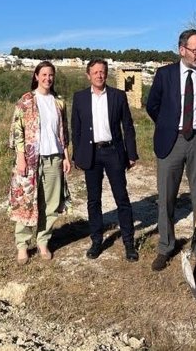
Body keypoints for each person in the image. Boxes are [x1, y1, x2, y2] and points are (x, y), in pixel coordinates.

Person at [146, 29, 196, 272]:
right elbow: (152, 106)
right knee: (166, 197)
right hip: (171, 140)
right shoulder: (164, 74)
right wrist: (169, 125)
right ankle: (166, 245)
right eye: (195, 50)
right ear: (182, 50)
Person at [71, 58, 139, 262]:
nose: (99, 75)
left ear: (106, 74)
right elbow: (76, 129)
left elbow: (127, 126)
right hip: (91, 153)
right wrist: (77, 155)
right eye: (95, 72)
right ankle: (97, 241)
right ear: (88, 75)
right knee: (94, 200)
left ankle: (129, 242)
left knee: (122, 198)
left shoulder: (118, 96)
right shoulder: (80, 97)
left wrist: (131, 153)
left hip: (113, 152)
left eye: (102, 72)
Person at [8, 61, 72, 265]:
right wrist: (20, 157)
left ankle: (43, 241)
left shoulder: (59, 102)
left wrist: (66, 157)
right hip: (31, 159)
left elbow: (64, 132)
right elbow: (17, 129)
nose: (47, 78)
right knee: (26, 201)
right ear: (36, 76)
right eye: (43, 74)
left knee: (51, 203)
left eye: (51, 75)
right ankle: (22, 245)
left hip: (54, 158)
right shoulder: (26, 101)